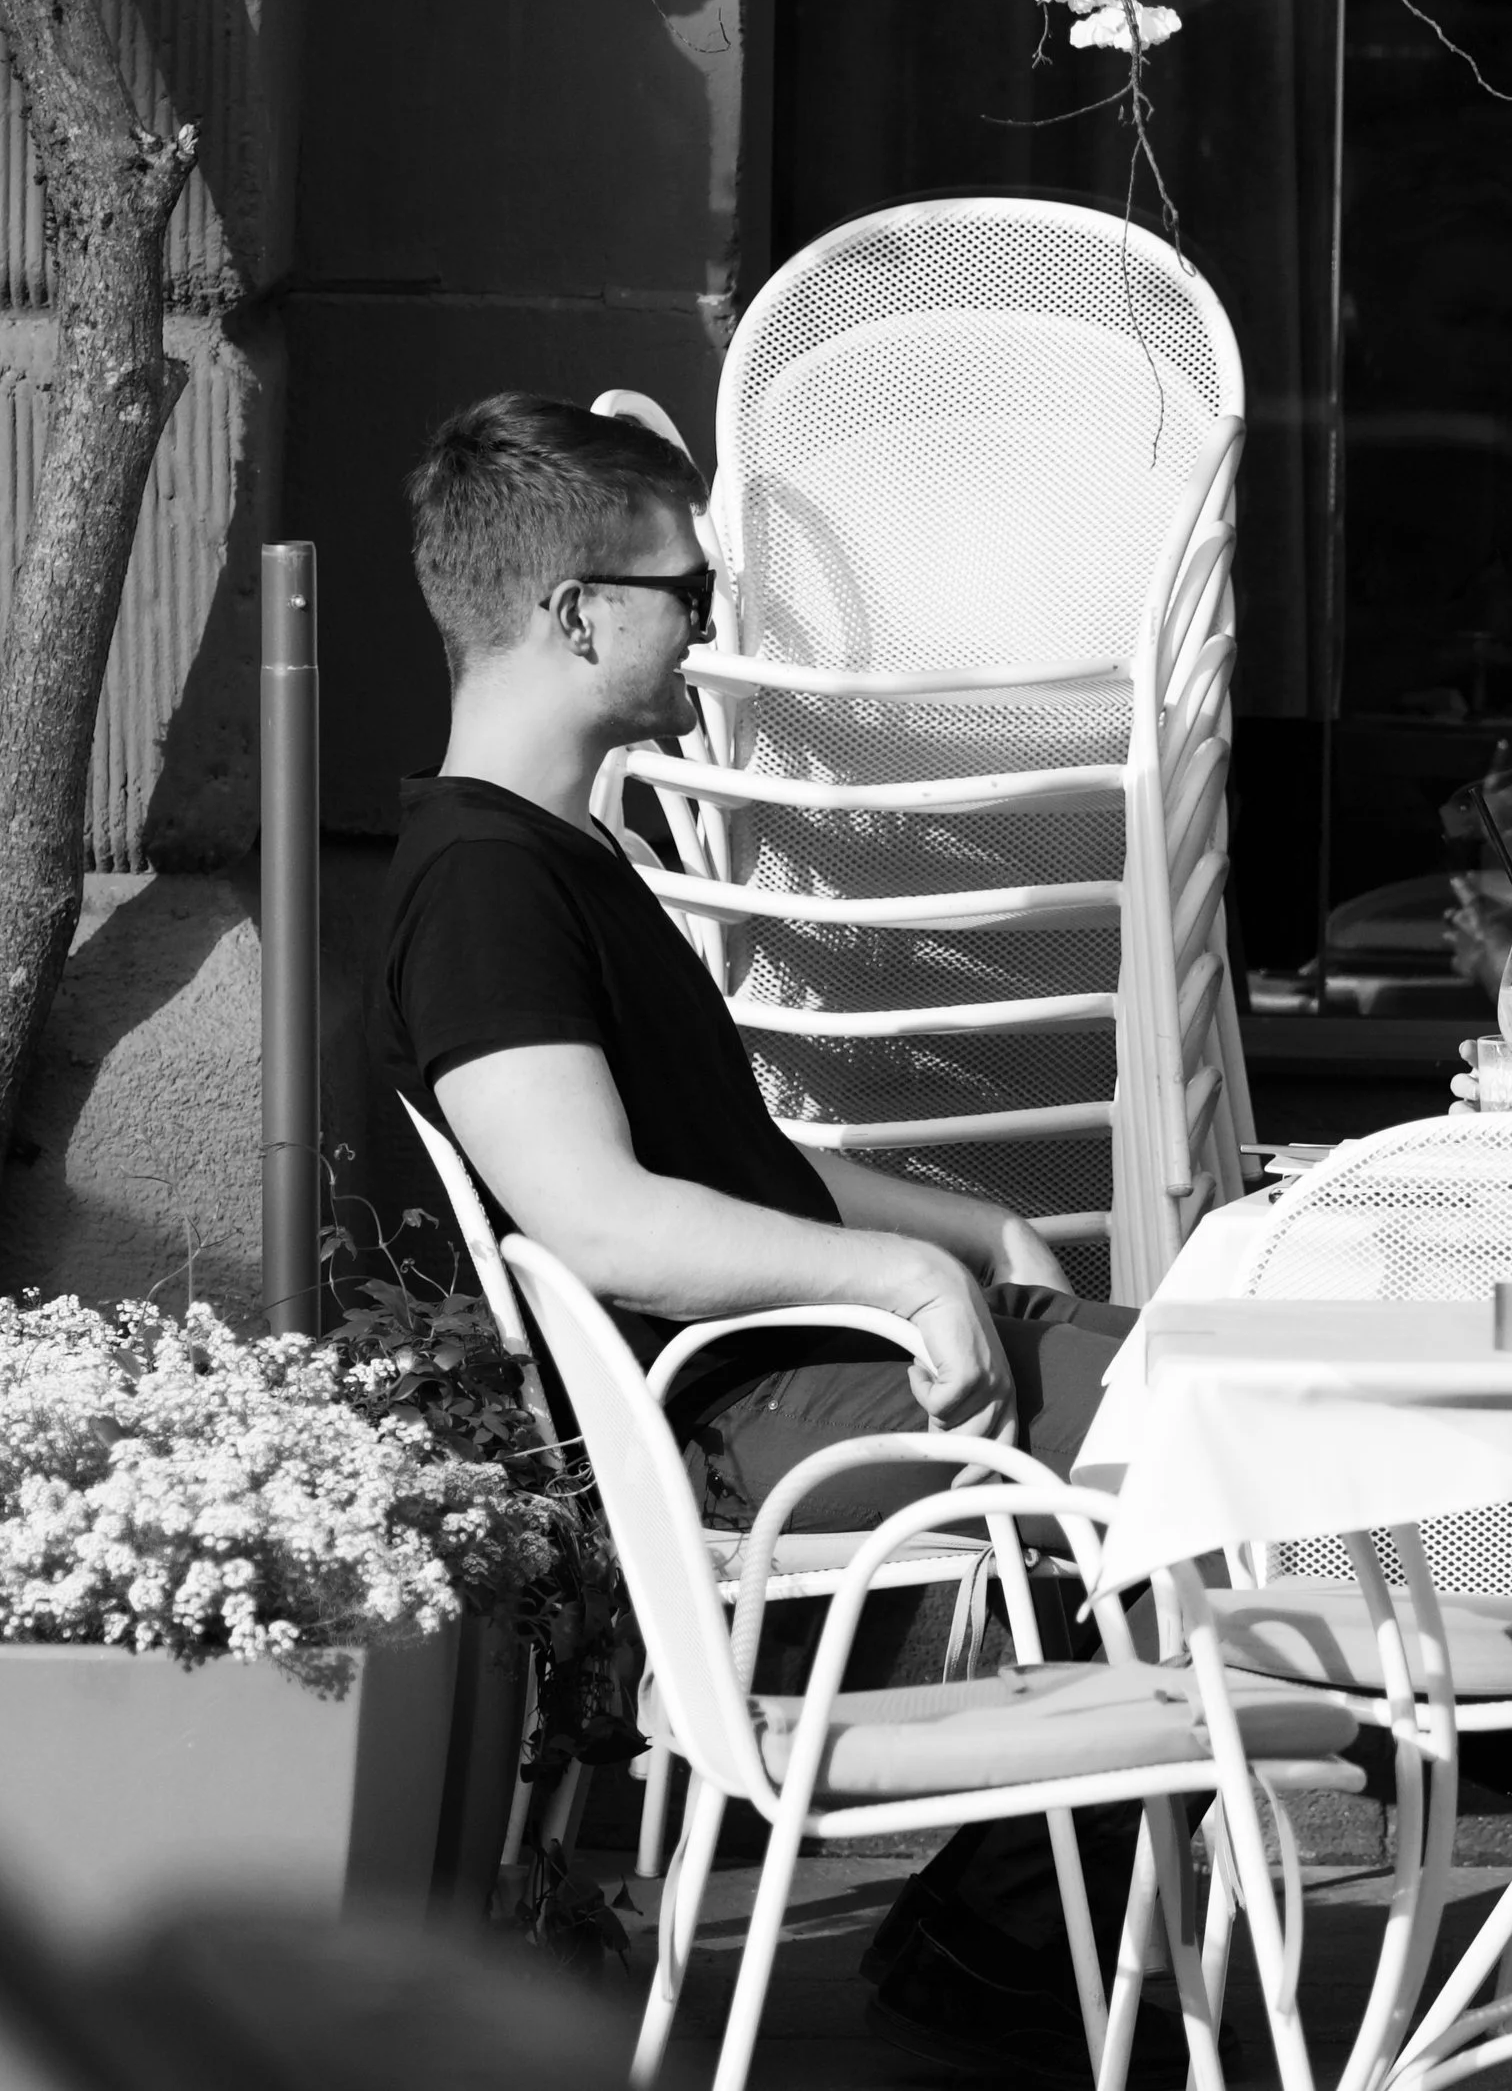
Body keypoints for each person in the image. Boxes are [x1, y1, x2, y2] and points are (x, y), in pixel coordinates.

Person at [371, 394, 1157, 2085]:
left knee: (1213, 1398)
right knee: (1227, 1441)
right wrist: (904, 1277)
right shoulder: (485, 889)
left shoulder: (558, 857)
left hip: (810, 1379)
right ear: (580, 612)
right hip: (760, 1419)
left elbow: (723, 1159)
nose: (713, 631)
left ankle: (1010, 1935)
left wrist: (966, 1222)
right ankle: (1022, 1939)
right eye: (693, 594)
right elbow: (599, 1217)